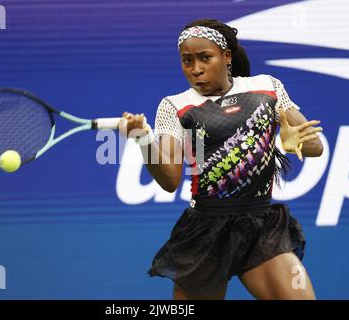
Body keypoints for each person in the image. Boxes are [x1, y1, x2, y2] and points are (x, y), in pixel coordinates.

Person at [119, 18, 323, 300]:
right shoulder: (175, 106)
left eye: (205, 58)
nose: (195, 69)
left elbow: (315, 146)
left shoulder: (267, 88)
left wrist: (290, 141)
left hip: (261, 226)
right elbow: (169, 179)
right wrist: (142, 138)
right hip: (206, 232)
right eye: (187, 61)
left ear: (226, 56)